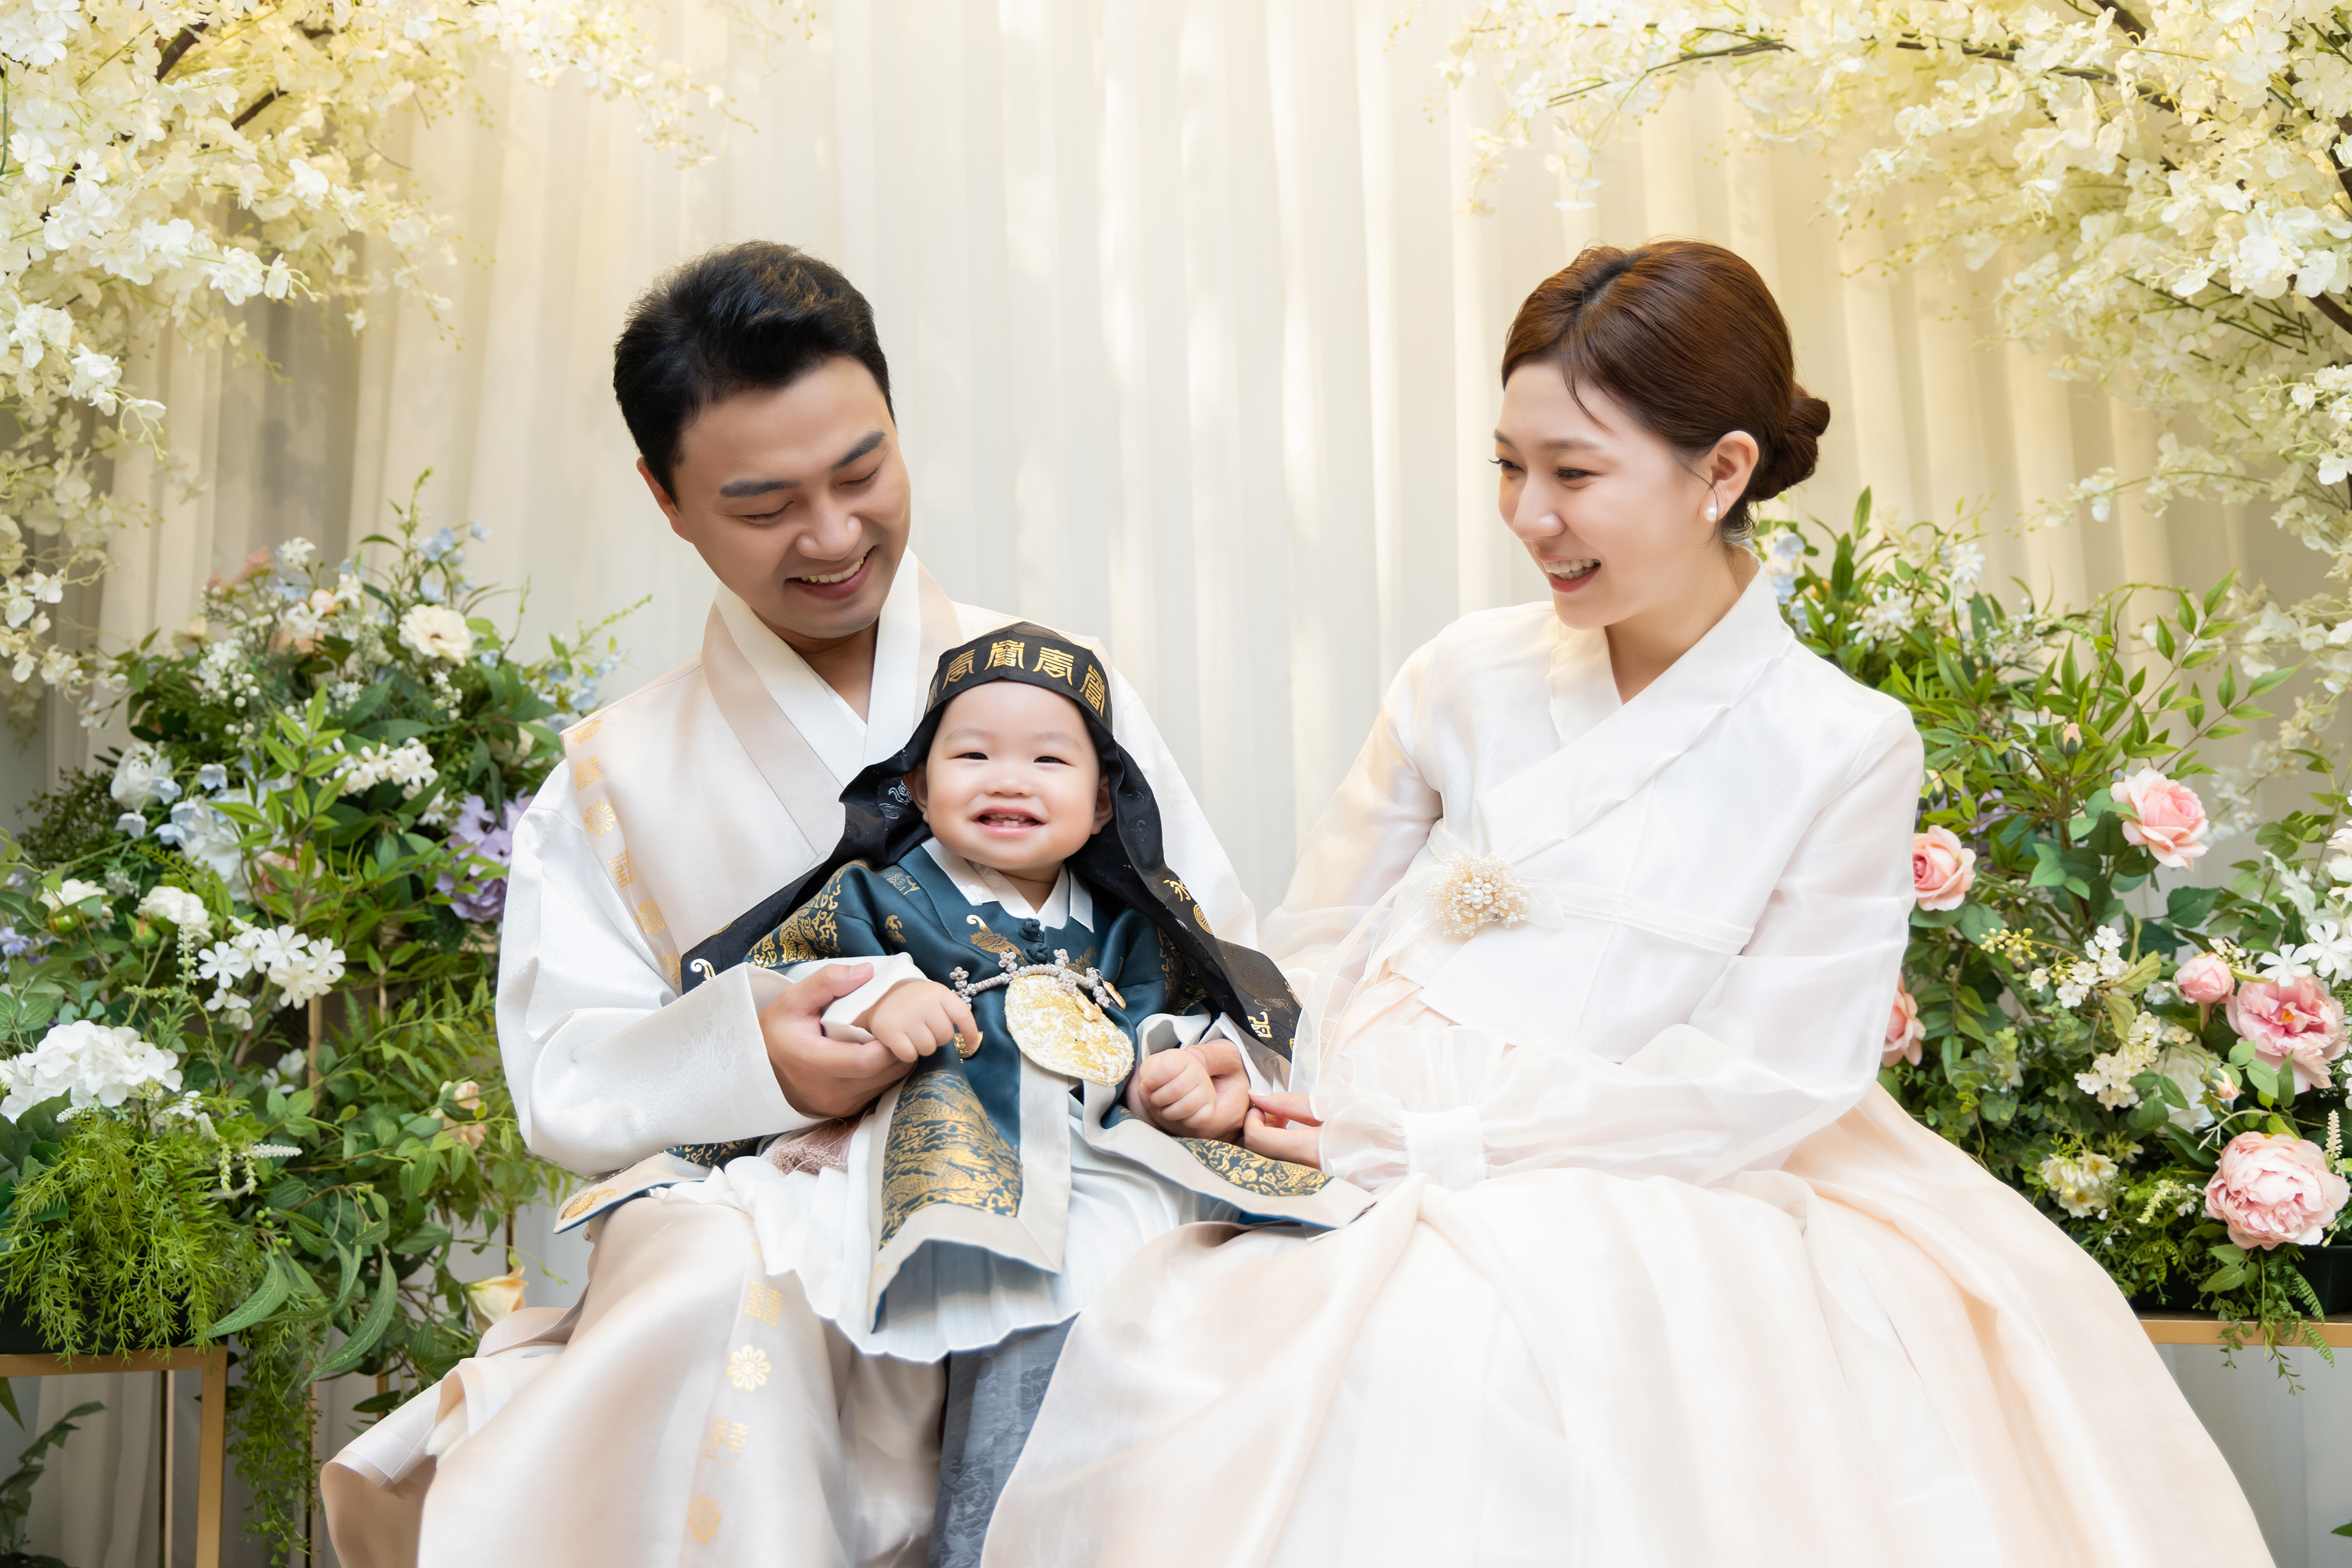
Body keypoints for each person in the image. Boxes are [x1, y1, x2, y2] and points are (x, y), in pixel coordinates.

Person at [981, 241, 2272, 1567]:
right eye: (1509, 466)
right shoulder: (1462, 674)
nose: (1529, 515)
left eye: (1576, 473)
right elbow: (1310, 944)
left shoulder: (1841, 742)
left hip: (1652, 1157)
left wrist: (1436, 1145)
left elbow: (1772, 1073)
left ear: (1723, 472)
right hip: (1357, 1119)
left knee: (1465, 1354)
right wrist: (1255, 1071)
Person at [318, 242, 1274, 1568]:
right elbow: (567, 1071)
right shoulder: (614, 773)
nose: (832, 538)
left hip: (1075, 1145)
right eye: (765, 505)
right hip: (771, 1192)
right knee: (708, 1281)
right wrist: (756, 1055)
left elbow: (1210, 949)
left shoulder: (1053, 691)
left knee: (1149, 1260)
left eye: (861, 472)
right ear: (667, 500)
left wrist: (1209, 1064)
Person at [646, 625, 1362, 1554]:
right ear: (916, 786)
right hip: (942, 1149)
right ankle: (975, 1535)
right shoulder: (873, 897)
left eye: (1049, 760)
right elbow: (777, 993)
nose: (1009, 780)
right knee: (1022, 1289)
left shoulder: (1130, 928)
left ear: (1102, 804)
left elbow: (1180, 1022)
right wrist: (876, 997)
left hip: (1101, 1152)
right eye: (973, 755)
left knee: (1251, 1272)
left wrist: (1175, 1072)